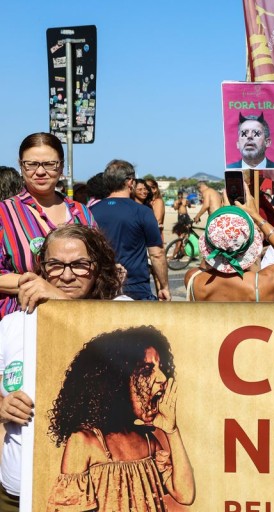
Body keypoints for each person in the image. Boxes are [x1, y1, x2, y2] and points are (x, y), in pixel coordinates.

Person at [0, 225, 124, 511]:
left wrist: (58, 300)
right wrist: (3, 405)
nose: (66, 276)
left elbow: (106, 351)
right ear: (42, 267)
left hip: (93, 498)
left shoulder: (122, 310)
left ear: (99, 266)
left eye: (80, 265)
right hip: (17, 491)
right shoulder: (12, 325)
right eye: (55, 265)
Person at [46, 326, 195, 511]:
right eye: (148, 369)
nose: (162, 378)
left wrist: (172, 431)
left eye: (161, 368)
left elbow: (185, 494)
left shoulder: (148, 441)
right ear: (117, 379)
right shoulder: (84, 442)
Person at [0, 133, 96, 319]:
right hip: (22, 320)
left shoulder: (81, 212)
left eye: (50, 164)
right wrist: (34, 284)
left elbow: (98, 261)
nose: (41, 172)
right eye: (32, 164)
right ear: (21, 166)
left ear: (61, 167)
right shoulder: (5, 213)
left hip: (77, 318)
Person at [185, 189, 274, 302]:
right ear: (250, 246)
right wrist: (256, 217)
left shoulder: (193, 279)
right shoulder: (263, 284)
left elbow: (207, 261)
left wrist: (223, 218)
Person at [90, 160, 169, 301]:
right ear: (130, 182)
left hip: (101, 286)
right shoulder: (143, 212)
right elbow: (157, 254)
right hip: (135, 286)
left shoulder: (90, 212)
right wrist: (164, 286)